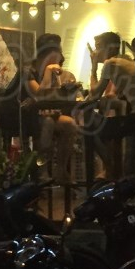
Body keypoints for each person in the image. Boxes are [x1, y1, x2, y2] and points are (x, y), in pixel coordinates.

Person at [25, 33, 79, 184]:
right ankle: (42, 170)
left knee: (70, 124)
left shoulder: (58, 71)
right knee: (48, 123)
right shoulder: (28, 71)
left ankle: (60, 168)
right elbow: (40, 95)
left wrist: (68, 88)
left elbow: (55, 97)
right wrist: (48, 71)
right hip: (29, 115)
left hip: (49, 114)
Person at [84, 31, 135, 177]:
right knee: (108, 127)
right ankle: (113, 170)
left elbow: (94, 95)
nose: (95, 52)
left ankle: (110, 168)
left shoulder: (110, 63)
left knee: (90, 130)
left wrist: (93, 67)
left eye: (98, 46)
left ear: (111, 48)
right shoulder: (125, 62)